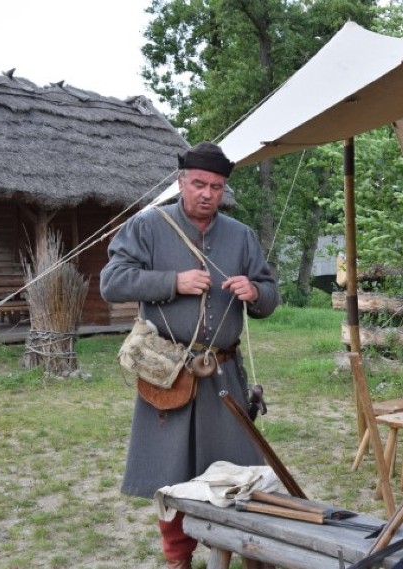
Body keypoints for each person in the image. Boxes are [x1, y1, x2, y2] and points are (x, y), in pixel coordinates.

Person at [100, 141, 280, 568]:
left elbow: (270, 297)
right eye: (199, 183)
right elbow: (112, 282)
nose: (207, 194)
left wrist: (254, 292)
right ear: (181, 181)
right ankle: (178, 558)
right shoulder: (147, 226)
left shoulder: (241, 235)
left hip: (223, 373)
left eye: (216, 187)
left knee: (233, 473)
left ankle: (232, 552)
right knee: (171, 471)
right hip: (169, 372)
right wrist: (172, 281)